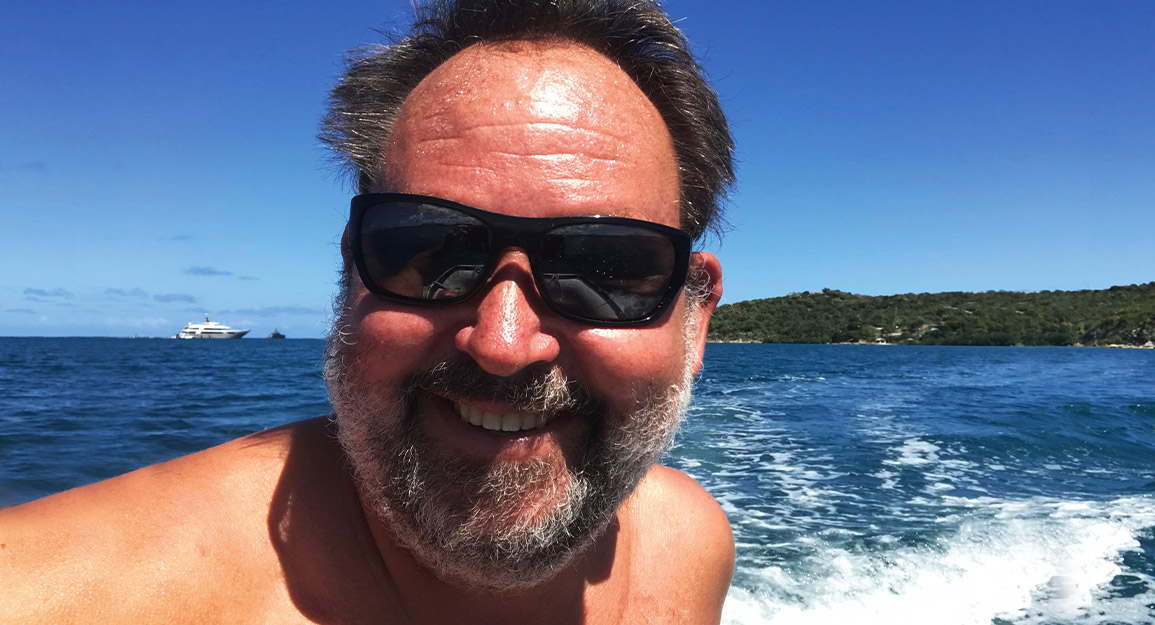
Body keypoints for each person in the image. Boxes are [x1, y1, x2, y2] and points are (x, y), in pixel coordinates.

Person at [0, 0, 735, 622]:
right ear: (351, 274)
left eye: (606, 268)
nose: (503, 343)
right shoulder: (50, 592)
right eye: (429, 250)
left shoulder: (688, 545)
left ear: (696, 318)